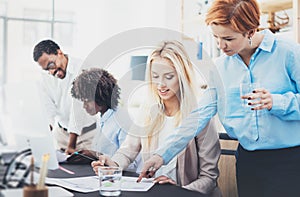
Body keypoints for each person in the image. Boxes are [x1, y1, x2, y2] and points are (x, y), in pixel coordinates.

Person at [139, 1, 300, 196]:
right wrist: (161, 155)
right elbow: (198, 116)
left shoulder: (288, 52)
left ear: (250, 31)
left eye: (228, 38)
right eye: (216, 37)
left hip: (290, 161)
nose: (220, 45)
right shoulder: (220, 67)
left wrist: (278, 102)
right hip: (249, 162)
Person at [91, 41, 221, 196]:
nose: (161, 84)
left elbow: (209, 178)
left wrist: (178, 190)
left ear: (182, 76)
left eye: (169, 77)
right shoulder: (147, 110)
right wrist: (112, 165)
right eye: (155, 76)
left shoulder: (200, 117)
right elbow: (128, 150)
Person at [33, 39, 97, 154]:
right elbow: (49, 109)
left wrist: (71, 145)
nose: (52, 72)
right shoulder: (45, 78)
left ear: (59, 53)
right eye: (47, 69)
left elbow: (77, 109)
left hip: (85, 137)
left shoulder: (83, 69)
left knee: (84, 170)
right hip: (61, 135)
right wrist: (44, 138)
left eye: (51, 65)